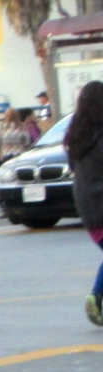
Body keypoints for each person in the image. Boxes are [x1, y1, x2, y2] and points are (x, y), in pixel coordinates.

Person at [64, 80, 103, 327]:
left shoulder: (76, 135)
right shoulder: (100, 137)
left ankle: (97, 297)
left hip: (89, 212)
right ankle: (96, 296)